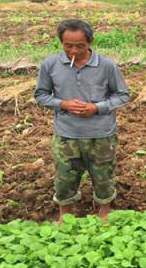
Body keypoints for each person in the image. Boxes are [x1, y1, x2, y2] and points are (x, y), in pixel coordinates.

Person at [34, 19, 130, 224]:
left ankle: (105, 212)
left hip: (101, 134)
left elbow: (122, 95)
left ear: (90, 42)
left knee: (104, 176)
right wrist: (64, 104)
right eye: (68, 46)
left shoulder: (106, 65)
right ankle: (65, 214)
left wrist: (96, 108)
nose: (74, 51)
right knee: (64, 177)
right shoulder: (51, 65)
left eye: (80, 46)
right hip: (67, 134)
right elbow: (41, 95)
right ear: (61, 43)